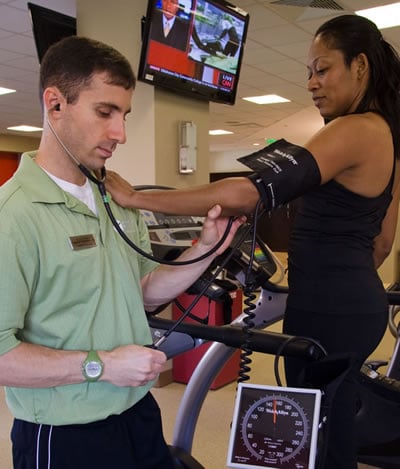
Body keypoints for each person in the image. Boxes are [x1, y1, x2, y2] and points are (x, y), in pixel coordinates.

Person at [105, 14, 400, 468]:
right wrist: (344, 277)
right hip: (358, 303)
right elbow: (382, 242)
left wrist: (135, 197)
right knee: (331, 416)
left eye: (322, 69)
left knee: (319, 425)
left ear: (359, 66)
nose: (312, 83)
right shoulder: (389, 137)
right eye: (308, 72)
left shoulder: (354, 128)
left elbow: (248, 193)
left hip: (328, 306)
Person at [0, 36, 244, 469]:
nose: (121, 133)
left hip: (137, 412)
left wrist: (206, 250)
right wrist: (102, 366)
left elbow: (144, 291)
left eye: (124, 114)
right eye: (105, 112)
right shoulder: (13, 215)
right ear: (55, 104)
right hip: (64, 435)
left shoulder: (115, 196)